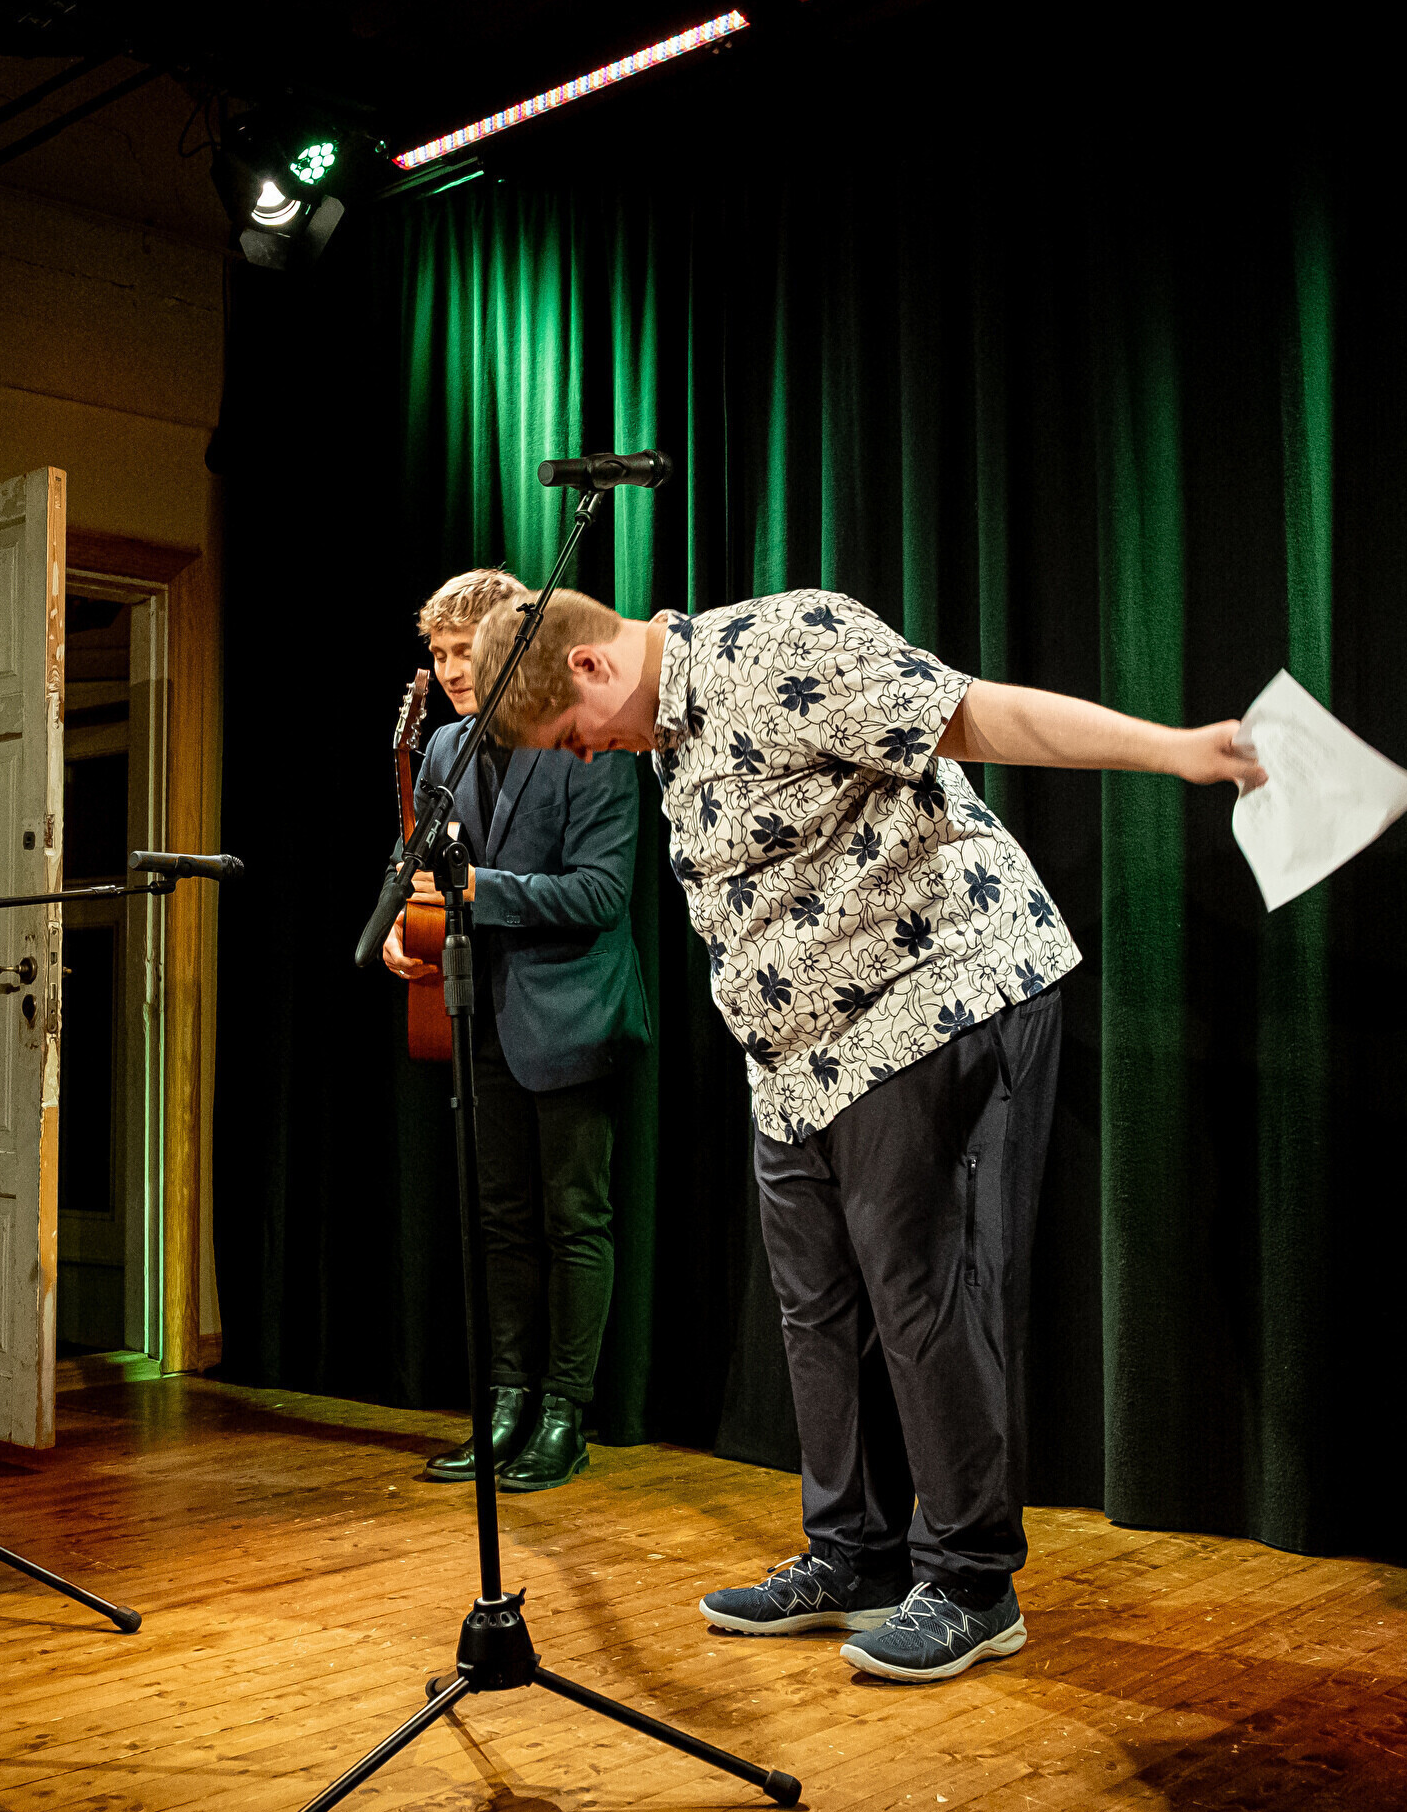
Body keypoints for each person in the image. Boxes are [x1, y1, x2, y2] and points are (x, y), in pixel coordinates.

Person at [475, 583, 1259, 1681]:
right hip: (798, 1062)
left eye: (575, 734)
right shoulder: (667, 732)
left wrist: (1177, 751)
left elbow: (977, 715)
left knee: (925, 1296)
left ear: (592, 666)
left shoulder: (782, 644)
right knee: (818, 1308)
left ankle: (972, 1579)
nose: (591, 754)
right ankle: (856, 1553)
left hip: (928, 998)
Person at [384, 570, 652, 1492]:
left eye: (466, 652)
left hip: (573, 1014)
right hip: (479, 1010)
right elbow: (413, 858)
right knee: (499, 1220)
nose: (453, 669)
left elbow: (601, 893)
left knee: (573, 1218)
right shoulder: (443, 746)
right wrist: (401, 921)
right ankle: (505, 1405)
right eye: (440, 654)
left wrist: (476, 891)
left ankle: (564, 1416)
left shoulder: (590, 739)